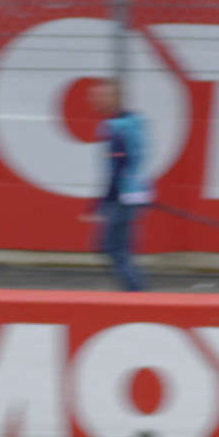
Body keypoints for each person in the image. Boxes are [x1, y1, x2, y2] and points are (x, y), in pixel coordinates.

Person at [86, 78, 150, 293]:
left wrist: (102, 204)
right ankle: (135, 290)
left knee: (112, 248)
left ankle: (136, 295)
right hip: (136, 193)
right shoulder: (134, 121)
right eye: (95, 96)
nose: (96, 100)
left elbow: (117, 168)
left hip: (122, 196)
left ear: (116, 98)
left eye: (102, 96)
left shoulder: (115, 128)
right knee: (120, 249)